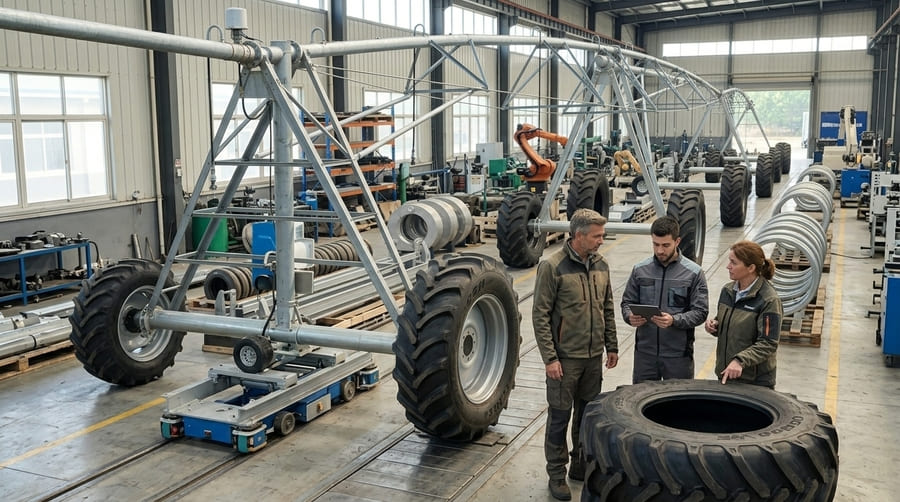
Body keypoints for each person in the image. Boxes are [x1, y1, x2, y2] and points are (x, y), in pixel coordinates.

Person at [532, 208, 619, 501]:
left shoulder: (601, 265)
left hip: (593, 358)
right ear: (579, 235)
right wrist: (550, 358)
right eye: (596, 236)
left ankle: (580, 464)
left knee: (586, 415)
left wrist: (612, 345)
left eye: (602, 236)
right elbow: (540, 315)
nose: (601, 241)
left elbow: (607, 307)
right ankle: (556, 474)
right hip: (565, 360)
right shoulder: (553, 266)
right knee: (559, 418)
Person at [621, 216, 709, 383]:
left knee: (677, 405)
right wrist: (629, 316)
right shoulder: (640, 270)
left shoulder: (693, 273)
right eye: (656, 244)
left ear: (677, 241)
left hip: (678, 356)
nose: (660, 250)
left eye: (665, 245)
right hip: (645, 355)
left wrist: (674, 320)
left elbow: (700, 312)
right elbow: (626, 303)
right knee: (641, 401)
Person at [704, 240, 783, 388]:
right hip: (726, 373)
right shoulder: (727, 291)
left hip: (754, 381)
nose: (728, 266)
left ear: (751, 268)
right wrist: (716, 325)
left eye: (733, 263)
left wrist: (740, 360)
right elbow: (732, 322)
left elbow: (768, 343)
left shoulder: (768, 300)